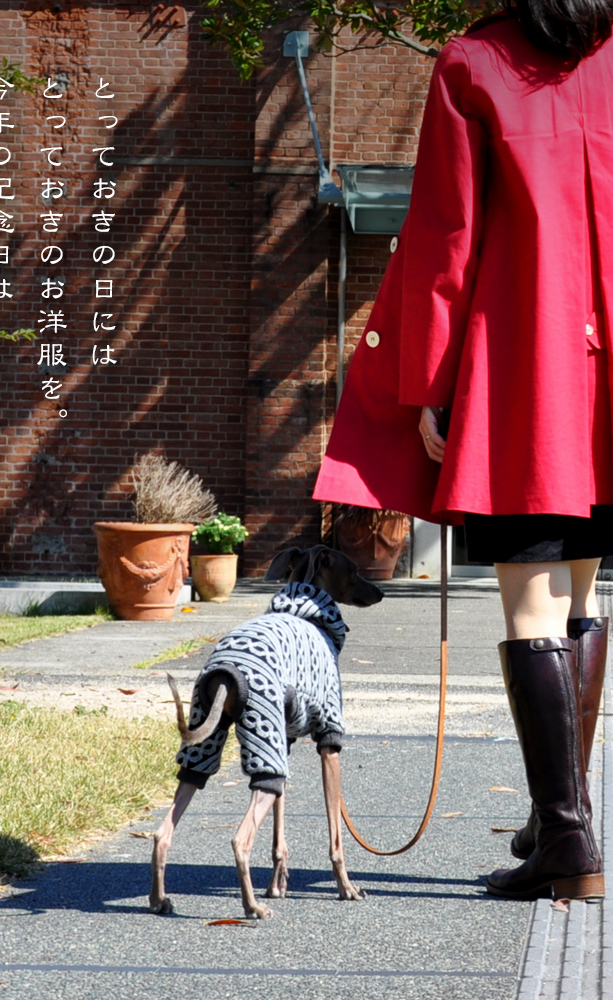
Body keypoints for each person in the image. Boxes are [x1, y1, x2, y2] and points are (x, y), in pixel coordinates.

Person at [313, 0, 613, 901]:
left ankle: (566, 837)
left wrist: (432, 385)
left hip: (527, 372)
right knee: (582, 595)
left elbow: (448, 236)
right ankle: (563, 816)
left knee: (530, 604)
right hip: (607, 380)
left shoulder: (474, 62)